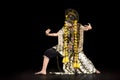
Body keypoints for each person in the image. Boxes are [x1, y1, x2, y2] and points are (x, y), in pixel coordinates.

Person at [35, 8, 100, 75]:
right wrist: (48, 34)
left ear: (72, 23)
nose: (65, 23)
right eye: (66, 21)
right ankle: (43, 70)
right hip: (64, 47)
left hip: (76, 49)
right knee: (47, 52)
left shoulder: (79, 26)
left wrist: (89, 27)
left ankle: (94, 69)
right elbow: (58, 34)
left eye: (67, 22)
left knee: (84, 61)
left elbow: (86, 28)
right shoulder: (65, 27)